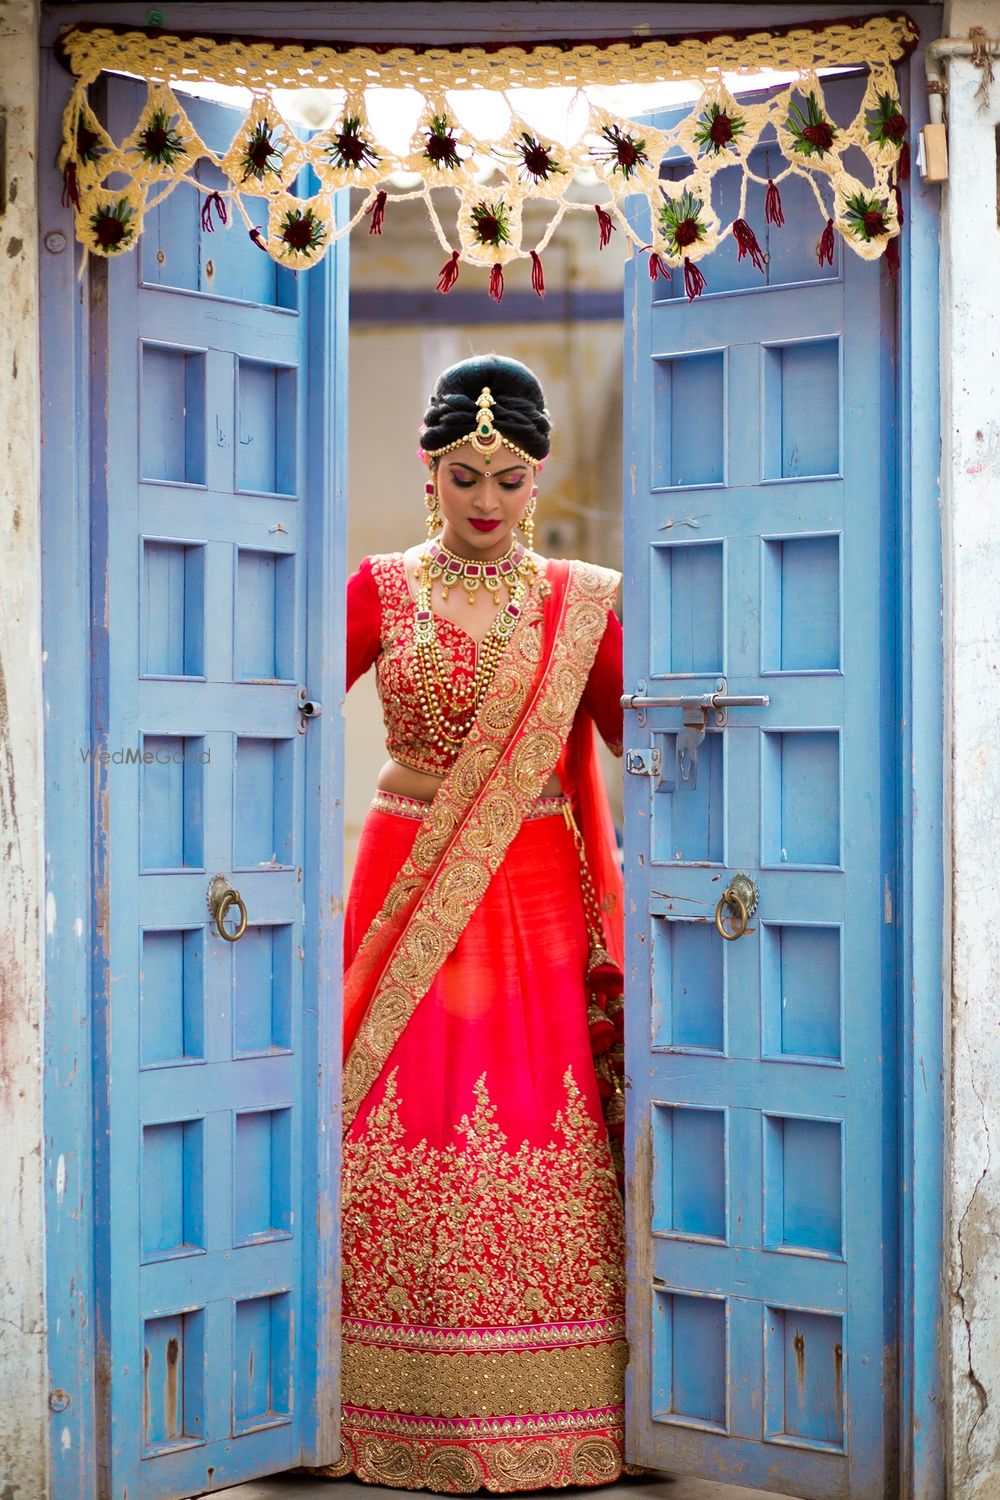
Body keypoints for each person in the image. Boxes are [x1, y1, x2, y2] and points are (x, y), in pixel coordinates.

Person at [316, 354, 628, 1493]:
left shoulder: (579, 603)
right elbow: (279, 711)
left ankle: (559, 1399)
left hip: (536, 886)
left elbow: (646, 737)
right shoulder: (376, 591)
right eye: (464, 474)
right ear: (428, 472)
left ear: (537, 474)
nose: (486, 500)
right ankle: (369, 1395)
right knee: (401, 1100)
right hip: (405, 876)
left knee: (535, 1110)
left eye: (507, 476)